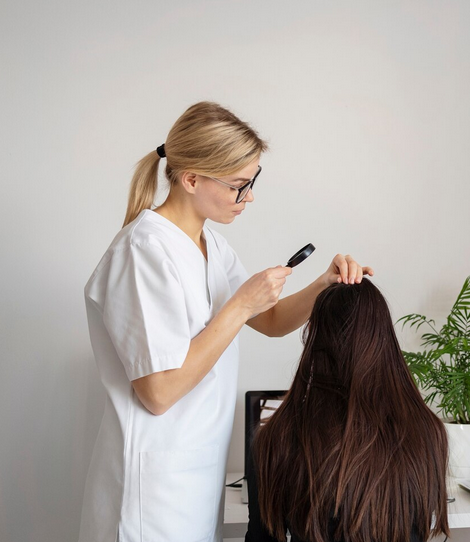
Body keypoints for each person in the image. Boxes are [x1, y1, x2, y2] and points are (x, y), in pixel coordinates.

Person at [80, 101, 373, 542]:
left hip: (195, 480)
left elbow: (270, 319)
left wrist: (323, 285)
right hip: (152, 492)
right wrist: (238, 305)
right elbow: (158, 392)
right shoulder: (143, 251)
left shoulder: (211, 245)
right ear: (191, 179)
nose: (249, 196)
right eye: (239, 185)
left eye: (252, 182)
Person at [247, 278, 450, 542]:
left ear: (314, 337)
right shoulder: (428, 432)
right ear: (384, 337)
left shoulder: (277, 437)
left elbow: (261, 538)